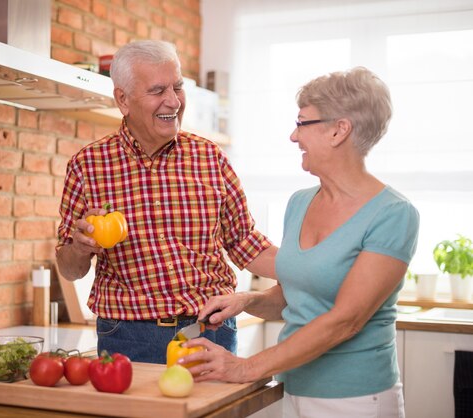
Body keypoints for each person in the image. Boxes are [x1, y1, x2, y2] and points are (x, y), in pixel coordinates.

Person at [179, 67, 420, 418]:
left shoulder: (393, 214)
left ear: (339, 130)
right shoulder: (300, 203)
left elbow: (345, 320)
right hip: (294, 389)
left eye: (302, 123)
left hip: (357, 399)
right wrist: (247, 301)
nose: (294, 136)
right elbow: (298, 297)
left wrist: (245, 368)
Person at [55, 40, 276, 364]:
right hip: (128, 339)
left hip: (209, 330)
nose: (173, 101)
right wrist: (79, 246)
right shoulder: (88, 165)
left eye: (178, 87)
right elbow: (69, 269)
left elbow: (245, 242)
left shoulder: (210, 158)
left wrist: (309, 270)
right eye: (158, 90)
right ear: (123, 99)